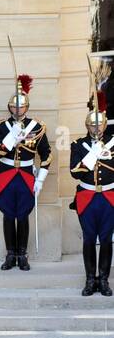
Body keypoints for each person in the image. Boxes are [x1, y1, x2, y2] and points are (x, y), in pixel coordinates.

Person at [0, 70, 50, 271]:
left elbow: (46, 154)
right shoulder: (0, 126)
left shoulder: (37, 127)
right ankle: (10, 254)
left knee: (23, 215)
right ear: (9, 107)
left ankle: (22, 254)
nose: (18, 110)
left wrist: (40, 180)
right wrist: (11, 137)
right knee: (8, 215)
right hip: (6, 174)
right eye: (14, 106)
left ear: (27, 107)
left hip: (25, 175)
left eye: (21, 106)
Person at [70, 85, 113, 297]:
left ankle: (103, 279)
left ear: (104, 125)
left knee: (106, 239)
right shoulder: (78, 145)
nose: (96, 130)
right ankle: (90, 279)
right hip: (86, 196)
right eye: (92, 126)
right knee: (89, 238)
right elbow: (75, 172)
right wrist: (91, 155)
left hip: (108, 197)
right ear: (87, 126)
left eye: (99, 126)